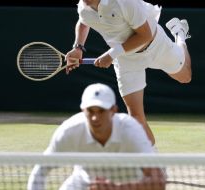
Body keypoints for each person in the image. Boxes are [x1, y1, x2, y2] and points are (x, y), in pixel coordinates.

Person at [65, 0, 192, 146]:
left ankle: (180, 35)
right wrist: (78, 47)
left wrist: (111, 54)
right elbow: (83, 22)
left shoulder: (124, 2)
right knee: (136, 118)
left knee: (185, 77)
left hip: (155, 45)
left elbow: (145, 35)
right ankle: (153, 164)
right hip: (126, 59)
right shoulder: (83, 7)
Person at [27, 83, 165, 190]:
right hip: (83, 182)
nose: (95, 117)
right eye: (90, 111)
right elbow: (40, 171)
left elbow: (158, 182)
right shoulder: (70, 130)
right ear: (82, 110)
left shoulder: (130, 131)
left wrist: (116, 188)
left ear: (113, 111)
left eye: (101, 111)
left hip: (130, 184)